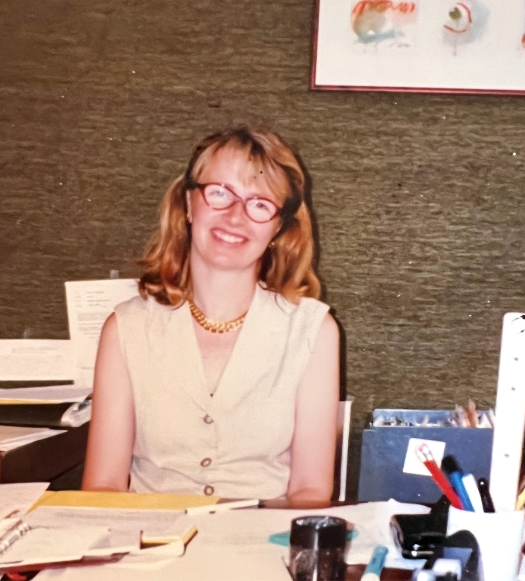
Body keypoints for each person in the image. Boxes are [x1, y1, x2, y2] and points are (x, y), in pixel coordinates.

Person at [81, 126, 340, 504]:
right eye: (220, 193)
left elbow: (310, 490)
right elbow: (103, 486)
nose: (236, 216)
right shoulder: (126, 327)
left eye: (259, 204)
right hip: (148, 547)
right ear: (188, 204)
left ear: (279, 228)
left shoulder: (314, 331)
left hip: (260, 546)